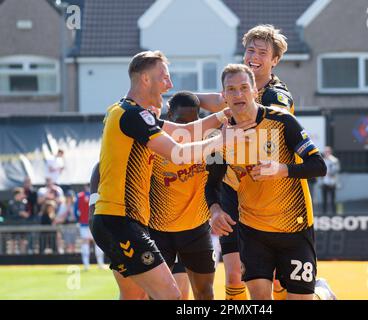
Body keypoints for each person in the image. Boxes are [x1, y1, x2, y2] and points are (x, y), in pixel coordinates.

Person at [90, 51, 254, 300]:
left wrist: (223, 115)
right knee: (170, 296)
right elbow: (178, 153)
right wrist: (222, 140)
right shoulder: (131, 115)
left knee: (135, 296)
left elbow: (185, 130)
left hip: (121, 221)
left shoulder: (131, 113)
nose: (170, 84)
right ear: (145, 79)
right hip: (120, 220)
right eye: (164, 77)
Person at [206, 64, 327, 300]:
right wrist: (215, 209)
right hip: (253, 231)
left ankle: (322, 294)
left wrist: (281, 170)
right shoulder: (220, 136)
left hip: (294, 227)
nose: (238, 95)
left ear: (254, 91)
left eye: (243, 88)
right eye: (231, 89)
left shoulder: (283, 122)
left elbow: (319, 166)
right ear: (223, 96)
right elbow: (212, 183)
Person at [201, 24, 295, 300]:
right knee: (233, 274)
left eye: (262, 53)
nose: (253, 56)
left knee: (275, 280)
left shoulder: (277, 96)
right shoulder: (238, 87)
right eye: (250, 50)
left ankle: (318, 293)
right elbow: (219, 101)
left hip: (270, 193)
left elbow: (272, 123)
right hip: (233, 188)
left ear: (274, 61)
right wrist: (188, 100)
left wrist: (229, 131)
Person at [148, 91, 216, 300]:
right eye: (181, 122)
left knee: (204, 293)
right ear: (169, 118)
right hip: (159, 230)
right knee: (158, 295)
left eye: (193, 122)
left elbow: (231, 105)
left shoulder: (209, 142)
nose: (186, 128)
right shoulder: (153, 143)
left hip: (196, 228)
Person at [320, 146, 340, 215]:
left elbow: (336, 170)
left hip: (332, 182)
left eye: (328, 151)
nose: (326, 153)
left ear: (330, 152)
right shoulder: (322, 160)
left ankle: (334, 214)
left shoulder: (334, 160)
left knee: (333, 200)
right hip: (324, 182)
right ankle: (323, 214)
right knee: (324, 200)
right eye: (325, 152)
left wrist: (330, 173)